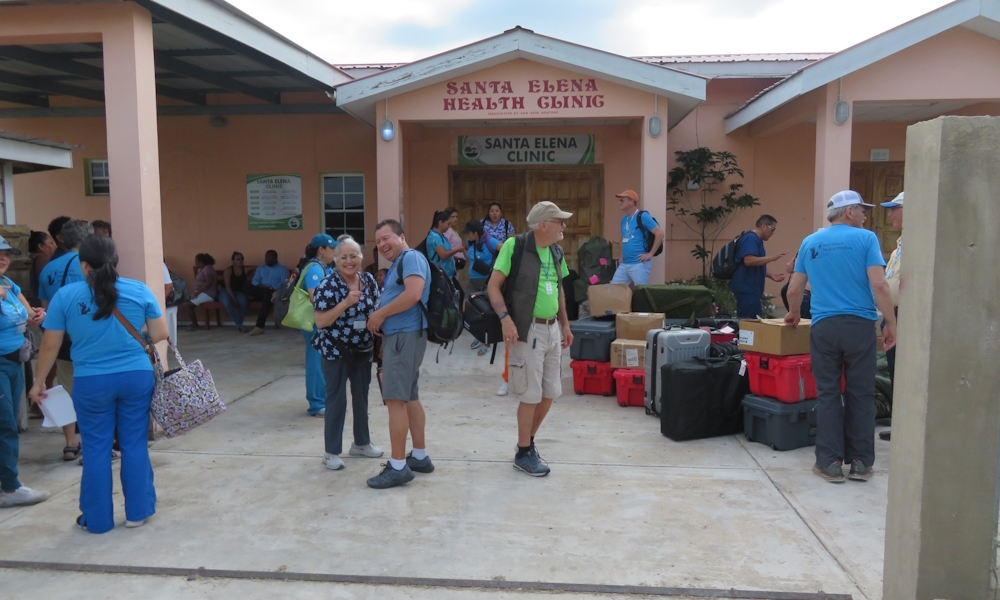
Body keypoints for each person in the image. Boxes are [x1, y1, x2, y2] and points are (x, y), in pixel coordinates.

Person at [31, 234, 167, 532]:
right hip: (136, 376)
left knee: (95, 448)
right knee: (134, 443)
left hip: (91, 381)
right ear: (115, 262)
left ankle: (97, 519)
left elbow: (50, 345)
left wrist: (39, 381)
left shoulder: (65, 297)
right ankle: (138, 512)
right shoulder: (139, 290)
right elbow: (159, 334)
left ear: (83, 266)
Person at [784, 190, 897, 484]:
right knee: (861, 394)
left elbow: (794, 289)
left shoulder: (810, 242)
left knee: (829, 393)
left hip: (824, 328)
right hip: (860, 327)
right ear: (849, 212)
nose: (865, 215)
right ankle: (861, 463)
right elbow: (879, 285)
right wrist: (891, 322)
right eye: (862, 210)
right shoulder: (867, 239)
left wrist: (793, 313)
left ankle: (829, 463)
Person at [487, 201, 574, 477]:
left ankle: (527, 445)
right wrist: (505, 319)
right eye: (560, 221)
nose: (564, 226)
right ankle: (524, 453)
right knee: (530, 395)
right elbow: (493, 286)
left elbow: (559, 290)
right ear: (544, 224)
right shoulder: (515, 247)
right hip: (528, 330)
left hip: (552, 330)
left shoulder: (557, 252)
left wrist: (565, 325)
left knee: (549, 394)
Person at [365, 219, 432, 489]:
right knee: (409, 397)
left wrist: (380, 314)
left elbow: (413, 294)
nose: (382, 244)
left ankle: (397, 466)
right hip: (403, 337)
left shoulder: (411, 258)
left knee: (395, 400)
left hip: (405, 337)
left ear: (402, 237)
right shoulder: (399, 263)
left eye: (386, 238)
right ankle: (419, 456)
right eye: (378, 241)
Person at [313, 235, 383, 470]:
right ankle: (331, 452)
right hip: (336, 350)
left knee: (361, 397)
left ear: (361, 257)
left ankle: (361, 443)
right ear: (335, 260)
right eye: (343, 257)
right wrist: (345, 303)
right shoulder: (328, 285)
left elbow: (377, 308)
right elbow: (321, 321)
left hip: (363, 349)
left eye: (354, 256)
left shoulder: (369, 280)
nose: (349, 261)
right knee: (336, 400)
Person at [0, 235, 50, 509]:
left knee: (8, 424)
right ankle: (10, 487)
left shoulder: (9, 283)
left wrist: (37, 316)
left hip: (15, 361)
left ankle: (9, 483)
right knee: (5, 424)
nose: (3, 258)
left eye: (6, 253)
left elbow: (29, 314)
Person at [38, 219, 90, 462]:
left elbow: (46, 310)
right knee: (93, 389)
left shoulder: (48, 269)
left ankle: (70, 443)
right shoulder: (90, 266)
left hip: (62, 339)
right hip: (89, 337)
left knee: (66, 389)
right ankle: (94, 443)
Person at [299, 234, 337, 417]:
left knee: (322, 360)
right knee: (315, 361)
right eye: (332, 248)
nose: (335, 252)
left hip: (323, 322)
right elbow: (316, 297)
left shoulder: (324, 267)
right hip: (316, 322)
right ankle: (316, 403)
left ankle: (322, 400)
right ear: (321, 250)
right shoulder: (314, 268)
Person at [878, 191, 904, 442]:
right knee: (896, 369)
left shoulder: (918, 241)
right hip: (893, 314)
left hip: (905, 315)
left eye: (895, 208)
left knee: (904, 370)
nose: (890, 214)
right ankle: (901, 425)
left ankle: (906, 425)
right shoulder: (900, 243)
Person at [729, 215, 787, 319]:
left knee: (751, 321)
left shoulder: (756, 239)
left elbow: (756, 264)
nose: (773, 233)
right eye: (772, 229)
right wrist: (772, 258)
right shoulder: (751, 238)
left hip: (751, 289)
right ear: (764, 226)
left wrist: (770, 274)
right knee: (751, 322)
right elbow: (748, 260)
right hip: (746, 288)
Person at [462, 219, 502, 356]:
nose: (467, 236)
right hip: (473, 281)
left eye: (469, 234)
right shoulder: (470, 243)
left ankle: (487, 341)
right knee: (468, 306)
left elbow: (505, 250)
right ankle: (478, 335)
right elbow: (469, 255)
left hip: (487, 281)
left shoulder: (490, 241)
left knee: (487, 312)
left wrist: (497, 266)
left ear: (475, 232)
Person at [610, 190, 664, 287]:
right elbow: (622, 238)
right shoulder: (623, 219)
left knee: (642, 292)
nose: (620, 202)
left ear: (631, 202)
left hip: (639, 264)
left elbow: (659, 233)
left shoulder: (643, 216)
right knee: (615, 290)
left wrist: (650, 254)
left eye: (622, 200)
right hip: (624, 264)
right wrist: (620, 255)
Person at [247, 250, 290, 336]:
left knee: (267, 299)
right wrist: (266, 288)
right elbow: (255, 281)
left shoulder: (283, 269)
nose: (266, 259)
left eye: (268, 257)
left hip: (273, 292)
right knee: (247, 286)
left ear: (275, 258)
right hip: (261, 291)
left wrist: (272, 288)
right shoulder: (261, 268)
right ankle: (271, 293)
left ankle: (259, 327)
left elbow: (283, 283)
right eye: (266, 257)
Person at [181, 253, 218, 331]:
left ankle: (195, 325)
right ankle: (194, 324)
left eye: (196, 261)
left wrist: (198, 292)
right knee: (186, 302)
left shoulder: (208, 268)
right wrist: (195, 271)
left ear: (201, 261)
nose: (195, 263)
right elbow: (198, 279)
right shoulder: (203, 269)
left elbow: (208, 282)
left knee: (187, 305)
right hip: (203, 293)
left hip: (208, 294)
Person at [218, 252, 250, 333]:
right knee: (227, 303)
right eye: (238, 259)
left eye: (242, 259)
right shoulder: (228, 270)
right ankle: (239, 324)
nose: (240, 261)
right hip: (225, 290)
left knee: (244, 302)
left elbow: (258, 267)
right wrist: (234, 298)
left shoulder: (245, 269)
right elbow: (227, 286)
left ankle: (239, 324)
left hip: (238, 291)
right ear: (233, 261)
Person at [425, 210, 462, 277]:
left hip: (447, 275)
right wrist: (457, 249)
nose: (449, 226)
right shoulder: (435, 237)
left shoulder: (441, 235)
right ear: (441, 223)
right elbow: (443, 255)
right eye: (448, 224)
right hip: (440, 275)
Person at [780, 253, 811, 319]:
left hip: (799, 290)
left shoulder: (802, 251)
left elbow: (789, 268)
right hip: (811, 292)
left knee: (799, 321)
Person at [29, 230, 57, 301]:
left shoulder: (33, 258)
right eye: (51, 243)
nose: (55, 246)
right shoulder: (44, 260)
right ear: (41, 246)